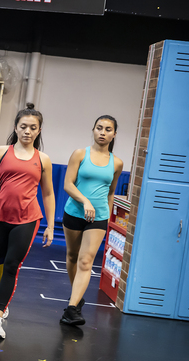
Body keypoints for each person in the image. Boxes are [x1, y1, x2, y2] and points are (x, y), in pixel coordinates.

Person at [0, 103, 56, 339]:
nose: (27, 131)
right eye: (23, 126)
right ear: (16, 127)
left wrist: (51, 226)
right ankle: (4, 298)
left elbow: (48, 194)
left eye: (33, 128)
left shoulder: (43, 159)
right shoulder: (1, 153)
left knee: (12, 266)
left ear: (39, 130)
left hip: (27, 220)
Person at [61, 115, 123, 325]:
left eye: (108, 129)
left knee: (86, 261)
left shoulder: (117, 163)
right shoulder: (80, 154)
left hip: (98, 218)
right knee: (72, 256)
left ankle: (71, 308)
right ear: (93, 130)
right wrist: (85, 201)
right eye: (99, 128)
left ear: (114, 134)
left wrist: (106, 213)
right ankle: (76, 297)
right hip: (74, 212)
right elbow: (68, 184)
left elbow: (111, 192)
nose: (103, 132)